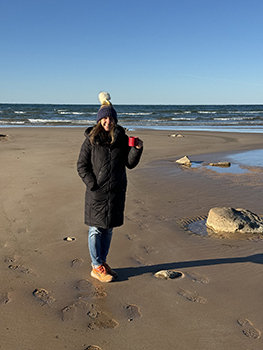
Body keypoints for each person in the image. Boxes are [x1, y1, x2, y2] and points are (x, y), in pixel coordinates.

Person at [77, 92, 143, 282]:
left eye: (111, 118)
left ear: (115, 120)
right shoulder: (91, 140)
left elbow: (129, 164)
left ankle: (102, 262)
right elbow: (82, 165)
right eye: (104, 118)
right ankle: (96, 266)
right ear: (99, 120)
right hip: (97, 193)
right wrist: (92, 184)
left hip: (116, 191)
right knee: (96, 229)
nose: (108, 122)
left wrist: (137, 150)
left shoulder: (121, 138)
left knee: (109, 229)